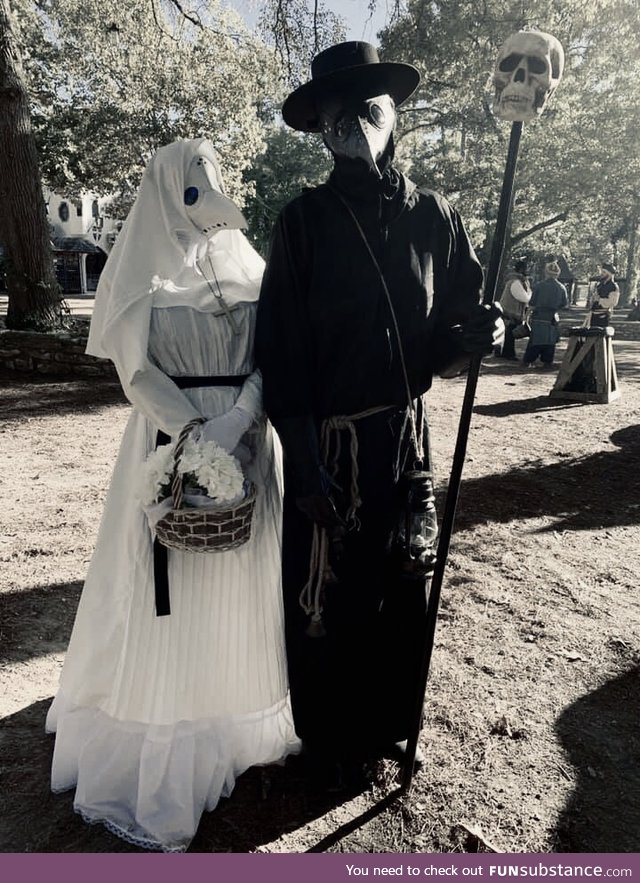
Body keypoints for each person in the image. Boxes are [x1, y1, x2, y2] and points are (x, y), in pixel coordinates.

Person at [255, 42, 503, 785]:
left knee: (404, 581)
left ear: (394, 115)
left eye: (366, 112)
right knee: (330, 588)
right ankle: (330, 738)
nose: (350, 130)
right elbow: (282, 350)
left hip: (406, 438)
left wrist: (478, 334)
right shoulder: (301, 223)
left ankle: (391, 723)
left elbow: (454, 326)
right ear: (320, 131)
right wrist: (301, 460)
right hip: (330, 442)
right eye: (334, 120)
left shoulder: (435, 215)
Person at [46, 138, 299, 852]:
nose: (200, 207)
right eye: (188, 192)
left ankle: (229, 713)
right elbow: (136, 374)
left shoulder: (246, 269)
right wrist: (194, 433)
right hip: (170, 443)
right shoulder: (138, 276)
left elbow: (272, 351)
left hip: (245, 442)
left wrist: (241, 417)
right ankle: (167, 734)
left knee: (233, 581)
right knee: (170, 590)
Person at [522, 260, 568, 368]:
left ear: (546, 272)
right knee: (550, 342)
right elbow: (564, 304)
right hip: (552, 318)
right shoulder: (562, 288)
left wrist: (527, 317)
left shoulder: (539, 286)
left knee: (535, 340)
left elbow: (532, 303)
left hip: (539, 317)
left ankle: (529, 360)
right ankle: (547, 362)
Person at [497, 258, 532, 359]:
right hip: (510, 311)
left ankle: (506, 353)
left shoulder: (520, 281)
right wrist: (530, 294)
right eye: (526, 268)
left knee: (508, 334)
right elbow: (523, 297)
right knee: (509, 334)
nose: (527, 270)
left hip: (511, 311)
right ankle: (508, 354)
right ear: (521, 269)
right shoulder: (515, 282)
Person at [590, 262, 620, 327]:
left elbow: (613, 302)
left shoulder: (613, 287)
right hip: (594, 314)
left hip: (604, 315)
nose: (602, 274)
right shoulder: (600, 285)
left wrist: (599, 300)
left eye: (604, 272)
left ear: (609, 274)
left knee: (600, 334)